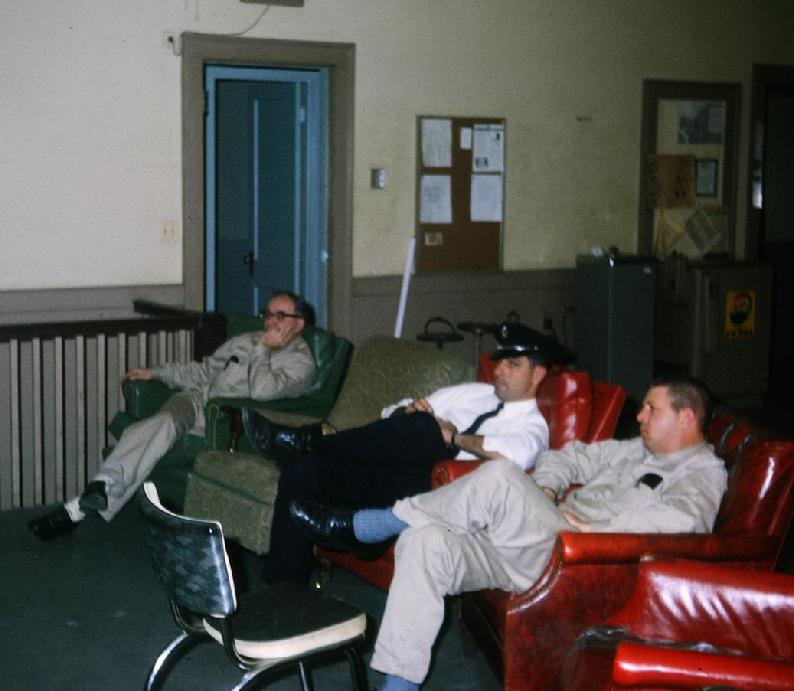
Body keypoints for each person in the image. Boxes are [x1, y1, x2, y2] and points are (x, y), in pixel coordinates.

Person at [290, 376, 727, 691]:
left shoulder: (703, 471)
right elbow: (568, 456)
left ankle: (371, 524)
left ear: (687, 416)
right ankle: (398, 687)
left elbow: (685, 525)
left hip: (583, 559)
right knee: (425, 543)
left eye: (652, 409)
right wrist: (546, 489)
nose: (640, 415)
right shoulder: (633, 449)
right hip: (541, 540)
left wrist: (597, 528)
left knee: (499, 474)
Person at [243, 322, 570, 584]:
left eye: (513, 365)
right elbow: (390, 412)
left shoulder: (533, 426)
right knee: (303, 469)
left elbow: (512, 458)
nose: (499, 370)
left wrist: (453, 437)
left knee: (426, 430)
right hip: (390, 473)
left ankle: (306, 440)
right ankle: (281, 594)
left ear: (538, 374)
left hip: (437, 495)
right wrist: (408, 413)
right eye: (499, 361)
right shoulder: (474, 393)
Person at [28, 291, 316, 541]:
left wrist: (264, 350)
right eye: (267, 314)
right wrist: (156, 373)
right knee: (161, 424)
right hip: (193, 401)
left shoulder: (301, 364)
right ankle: (100, 487)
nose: (270, 322)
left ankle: (78, 507)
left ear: (299, 323)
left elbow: (264, 392)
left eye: (281, 316)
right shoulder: (245, 340)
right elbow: (204, 371)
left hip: (223, 421)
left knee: (146, 435)